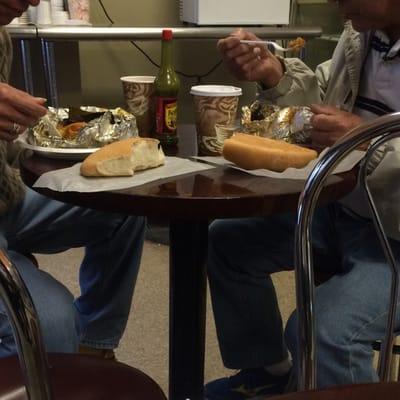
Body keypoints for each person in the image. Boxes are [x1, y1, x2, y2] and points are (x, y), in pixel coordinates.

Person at [205, 0, 400, 399]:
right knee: (229, 242)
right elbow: (325, 103)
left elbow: (355, 132)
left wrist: (367, 139)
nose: (334, 3)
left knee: (323, 329)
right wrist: (274, 75)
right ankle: (269, 372)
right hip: (343, 212)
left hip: (394, 240)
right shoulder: (362, 34)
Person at [0, 0, 145, 359]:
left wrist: (36, 153)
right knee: (49, 323)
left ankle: (93, 348)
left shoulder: (0, 38)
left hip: (7, 203)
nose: (33, 2)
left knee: (123, 202)